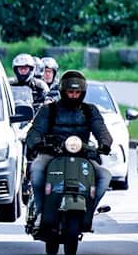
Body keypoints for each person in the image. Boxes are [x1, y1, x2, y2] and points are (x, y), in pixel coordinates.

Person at [24, 70, 112, 231]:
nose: (73, 95)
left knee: (104, 176)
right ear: (63, 92)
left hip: (82, 153)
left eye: (77, 92)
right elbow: (35, 131)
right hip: (51, 153)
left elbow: (101, 129)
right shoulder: (48, 110)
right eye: (70, 92)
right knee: (36, 171)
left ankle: (89, 211)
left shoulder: (89, 110)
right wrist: (38, 144)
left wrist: (105, 143)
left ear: (83, 93)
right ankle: (40, 210)